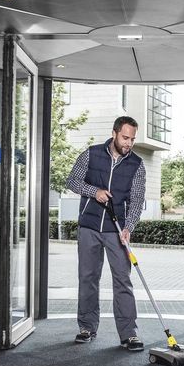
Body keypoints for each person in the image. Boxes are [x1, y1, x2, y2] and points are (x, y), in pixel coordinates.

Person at [65, 116, 146, 351]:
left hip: (116, 230)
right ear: (114, 133)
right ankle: (87, 327)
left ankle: (129, 333)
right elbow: (72, 181)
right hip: (89, 226)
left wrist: (128, 227)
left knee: (123, 279)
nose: (129, 143)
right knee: (88, 278)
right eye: (125, 137)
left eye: (132, 139)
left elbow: (137, 200)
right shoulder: (91, 154)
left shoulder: (137, 165)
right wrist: (94, 191)